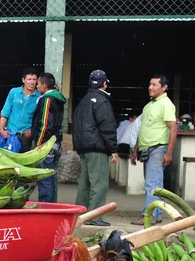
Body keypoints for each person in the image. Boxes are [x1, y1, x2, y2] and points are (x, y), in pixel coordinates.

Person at [72, 70, 119, 226]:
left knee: (84, 184)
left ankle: (82, 215)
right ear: (104, 84)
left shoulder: (83, 101)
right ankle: (94, 217)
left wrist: (78, 148)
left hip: (84, 149)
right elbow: (108, 127)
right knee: (99, 184)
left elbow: (76, 126)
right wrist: (113, 149)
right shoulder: (101, 101)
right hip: (97, 149)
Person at [130, 74, 177, 225]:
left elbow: (173, 129)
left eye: (155, 85)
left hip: (158, 149)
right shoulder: (149, 105)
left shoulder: (166, 104)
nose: (150, 87)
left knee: (153, 185)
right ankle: (157, 214)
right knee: (153, 184)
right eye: (150, 84)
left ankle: (148, 216)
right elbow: (142, 129)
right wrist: (135, 150)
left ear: (164, 87)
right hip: (146, 149)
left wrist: (169, 153)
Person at [31, 73, 66, 203]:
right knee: (50, 177)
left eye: (38, 84)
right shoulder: (58, 99)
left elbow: (45, 124)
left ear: (44, 86)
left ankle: (46, 207)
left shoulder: (47, 99)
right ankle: (50, 205)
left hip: (46, 144)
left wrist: (39, 144)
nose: (37, 86)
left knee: (44, 178)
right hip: (55, 143)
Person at [0, 67, 40, 152]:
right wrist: (2, 130)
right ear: (23, 80)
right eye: (29, 79)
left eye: (34, 79)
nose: (32, 82)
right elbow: (5, 112)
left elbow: (40, 119)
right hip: (10, 134)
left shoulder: (39, 97)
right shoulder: (13, 92)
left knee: (22, 161)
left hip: (26, 136)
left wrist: (32, 131)